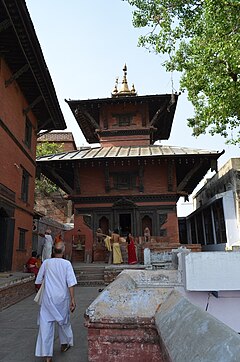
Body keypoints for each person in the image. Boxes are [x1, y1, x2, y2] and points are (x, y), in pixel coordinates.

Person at [35, 241, 77, 362]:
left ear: (53, 251)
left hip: (48, 298)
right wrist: (73, 299)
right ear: (63, 251)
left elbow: (38, 281)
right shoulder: (67, 264)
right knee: (64, 322)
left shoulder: (46, 263)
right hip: (62, 298)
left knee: (46, 326)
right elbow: (71, 283)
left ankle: (47, 356)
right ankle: (65, 343)